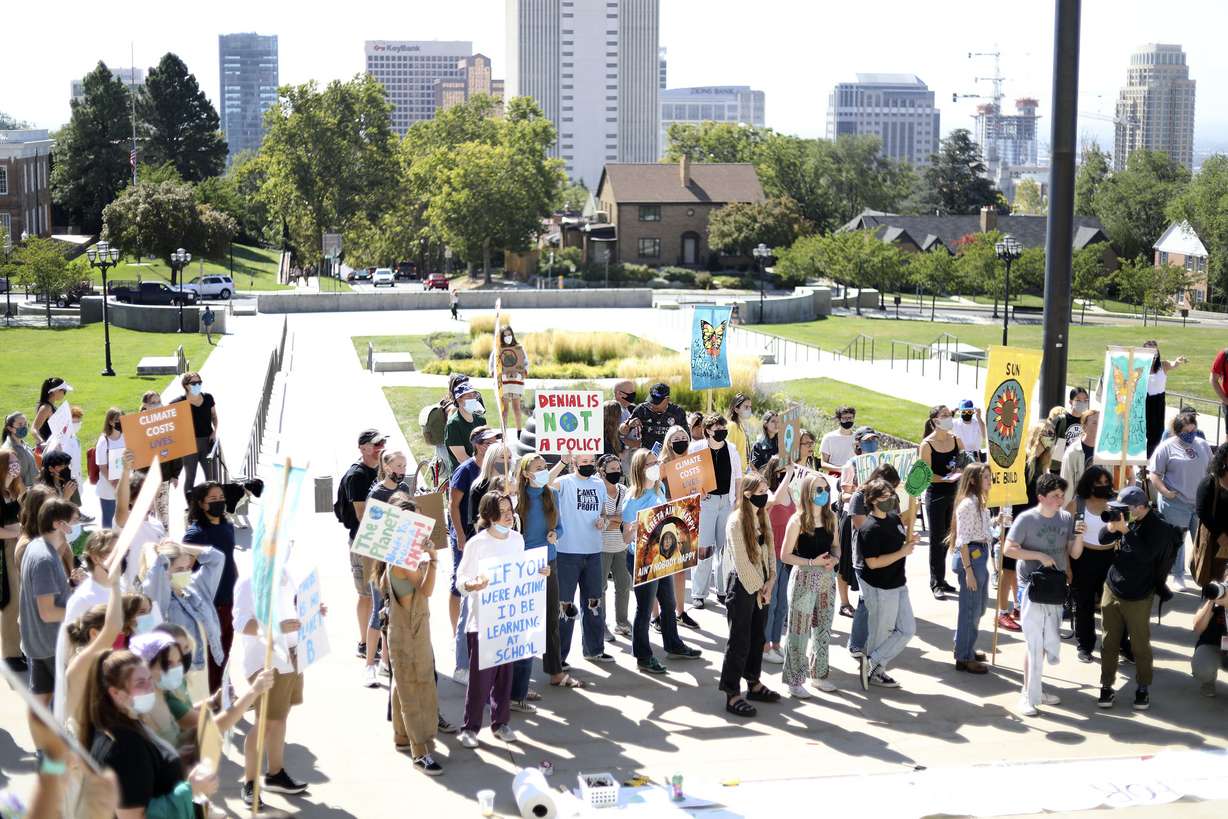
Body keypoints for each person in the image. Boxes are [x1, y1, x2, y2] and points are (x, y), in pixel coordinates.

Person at [80, 650, 218, 816]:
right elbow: (132, 816)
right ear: (116, 693)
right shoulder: (123, 748)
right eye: (140, 683)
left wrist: (174, 761)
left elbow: (145, 773)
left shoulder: (124, 722)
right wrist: (191, 789)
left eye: (149, 680)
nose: (150, 688)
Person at [232, 549, 310, 805]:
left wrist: (311, 613)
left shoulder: (285, 573)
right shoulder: (250, 580)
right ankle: (250, 782)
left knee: (279, 718)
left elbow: (293, 608)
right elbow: (241, 623)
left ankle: (276, 774)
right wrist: (276, 628)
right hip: (265, 662)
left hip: (290, 657)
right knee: (265, 722)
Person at [455, 491, 529, 748]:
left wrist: (538, 572)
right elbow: (461, 580)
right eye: (503, 511)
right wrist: (472, 584)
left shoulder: (517, 540)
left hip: (508, 620)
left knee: (504, 676)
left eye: (510, 510)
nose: (509, 516)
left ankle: (501, 722)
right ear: (489, 515)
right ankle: (470, 727)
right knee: (480, 679)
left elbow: (522, 574)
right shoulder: (478, 544)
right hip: (482, 621)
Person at [1094, 485, 1177, 711]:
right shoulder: (1124, 518)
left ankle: (1142, 687)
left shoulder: (1158, 527)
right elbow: (1102, 539)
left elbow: (1146, 556)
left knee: (1140, 645)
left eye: (1126, 508)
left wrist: (1126, 531)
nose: (1121, 512)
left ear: (1141, 507)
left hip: (1139, 594)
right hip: (1113, 587)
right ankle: (1106, 686)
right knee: (1108, 642)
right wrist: (1113, 527)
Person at [381, 491, 444, 774]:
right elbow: (426, 590)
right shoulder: (403, 562)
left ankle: (401, 736)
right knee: (416, 689)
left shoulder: (397, 557)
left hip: (407, 630)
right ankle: (421, 749)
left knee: (402, 684)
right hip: (409, 633)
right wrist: (432, 559)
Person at [622, 449, 700, 675]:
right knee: (645, 609)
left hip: (662, 557)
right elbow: (625, 538)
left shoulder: (660, 487)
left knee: (669, 602)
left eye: (657, 462)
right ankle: (643, 656)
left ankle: (673, 644)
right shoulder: (631, 500)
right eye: (651, 463)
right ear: (640, 468)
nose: (657, 466)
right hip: (641, 560)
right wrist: (632, 530)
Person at [1004, 472, 1075, 717]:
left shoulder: (1066, 518)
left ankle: (1036, 689)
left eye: (1062, 495)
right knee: (1034, 644)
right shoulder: (1026, 519)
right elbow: (1009, 549)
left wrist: (1078, 538)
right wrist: (1038, 556)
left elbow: (1072, 553)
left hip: (1055, 589)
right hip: (1031, 588)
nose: (1061, 499)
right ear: (1042, 497)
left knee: (1045, 644)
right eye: (1056, 495)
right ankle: (1027, 695)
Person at [514, 453, 575, 689]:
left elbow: (560, 528)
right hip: (524, 564)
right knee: (525, 621)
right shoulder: (517, 498)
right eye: (537, 468)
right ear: (526, 473)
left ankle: (555, 671)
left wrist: (555, 535)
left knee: (551, 618)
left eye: (544, 467)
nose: (542, 471)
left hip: (549, 562)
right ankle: (520, 678)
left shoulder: (553, 494)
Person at [721, 471, 779, 716]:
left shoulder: (762, 516)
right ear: (747, 494)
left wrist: (772, 579)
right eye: (760, 493)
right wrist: (760, 589)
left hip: (763, 585)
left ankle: (753, 682)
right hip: (744, 586)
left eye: (766, 492)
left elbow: (770, 549)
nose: (765, 497)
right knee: (739, 641)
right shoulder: (735, 521)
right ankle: (732, 693)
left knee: (758, 637)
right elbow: (742, 563)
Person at [141, 538, 225, 703]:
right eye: (179, 569)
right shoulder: (159, 598)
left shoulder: (196, 586)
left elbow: (217, 558)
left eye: (187, 568)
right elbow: (157, 573)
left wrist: (181, 547)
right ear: (165, 571)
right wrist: (157, 553)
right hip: (179, 673)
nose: (186, 572)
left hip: (204, 667)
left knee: (203, 717)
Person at [448, 426, 501, 683]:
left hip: (488, 543)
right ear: (479, 445)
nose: (497, 443)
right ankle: (462, 661)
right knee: (465, 595)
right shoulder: (466, 471)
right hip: (469, 539)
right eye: (492, 441)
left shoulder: (497, 470)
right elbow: (453, 504)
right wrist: (459, 535)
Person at [779, 473, 840, 697]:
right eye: (818, 489)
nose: (823, 493)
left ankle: (819, 674)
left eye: (825, 489)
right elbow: (785, 555)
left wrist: (834, 559)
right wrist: (811, 562)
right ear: (807, 492)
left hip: (826, 579)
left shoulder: (831, 518)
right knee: (799, 630)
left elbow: (837, 548)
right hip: (804, 578)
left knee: (823, 629)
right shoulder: (797, 520)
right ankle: (794, 680)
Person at [998, 418, 1057, 633]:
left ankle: (1016, 606)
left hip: (1031, 523)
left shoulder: (1043, 464)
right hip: (1014, 520)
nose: (1051, 436)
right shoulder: (1022, 461)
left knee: (1020, 567)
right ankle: (1002, 612)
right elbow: (1007, 490)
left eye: (1052, 433)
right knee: (1008, 569)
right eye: (1047, 432)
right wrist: (1004, 516)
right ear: (1037, 435)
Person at [856, 478, 916, 690]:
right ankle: (875, 670)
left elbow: (899, 543)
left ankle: (872, 662)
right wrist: (902, 552)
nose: (889, 500)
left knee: (907, 629)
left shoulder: (894, 518)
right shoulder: (869, 529)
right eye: (884, 497)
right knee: (881, 632)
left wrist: (909, 542)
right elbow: (872, 563)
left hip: (898, 583)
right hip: (881, 588)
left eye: (891, 496)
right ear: (872, 500)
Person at [554, 454, 613, 664]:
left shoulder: (599, 483)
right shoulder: (565, 482)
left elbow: (604, 513)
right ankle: (559, 657)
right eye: (584, 463)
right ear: (574, 464)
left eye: (591, 462)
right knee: (565, 607)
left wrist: (603, 522)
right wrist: (560, 462)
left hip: (593, 552)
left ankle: (594, 649)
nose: (588, 466)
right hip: (567, 552)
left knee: (594, 603)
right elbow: (544, 483)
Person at [19, 498, 77, 704]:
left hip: (39, 642)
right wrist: (80, 612)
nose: (76, 527)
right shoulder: (44, 559)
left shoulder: (37, 547)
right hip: (52, 645)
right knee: (69, 701)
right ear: (57, 524)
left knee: (41, 703)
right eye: (73, 521)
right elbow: (47, 611)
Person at [182, 482, 237, 691]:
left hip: (228, 598)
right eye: (212, 499)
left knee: (224, 650)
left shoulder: (227, 525)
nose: (219, 502)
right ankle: (214, 697)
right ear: (201, 504)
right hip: (209, 604)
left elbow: (230, 559)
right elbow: (184, 570)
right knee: (213, 653)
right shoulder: (195, 534)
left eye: (221, 497)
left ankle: (223, 689)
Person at [1150, 410, 1212, 590]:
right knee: (1177, 541)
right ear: (1178, 431)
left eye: (1194, 430)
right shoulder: (1167, 447)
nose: (1191, 435)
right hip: (1176, 503)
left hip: (1200, 503)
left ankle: (1202, 574)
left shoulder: (1202, 444)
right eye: (1187, 432)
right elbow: (1154, 474)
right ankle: (1178, 575)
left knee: (1202, 541)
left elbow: (1212, 468)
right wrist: (1165, 491)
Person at [339, 428, 383, 661]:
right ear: (363, 448)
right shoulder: (357, 476)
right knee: (366, 594)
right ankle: (365, 643)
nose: (380, 448)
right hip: (363, 542)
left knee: (380, 594)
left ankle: (377, 640)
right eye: (376, 445)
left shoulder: (381, 469)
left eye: (382, 443)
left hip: (381, 541)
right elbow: (361, 514)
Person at [691, 414, 742, 609]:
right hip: (706, 503)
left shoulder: (732, 450)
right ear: (707, 431)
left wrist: (737, 500)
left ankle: (723, 590)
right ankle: (699, 593)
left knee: (725, 549)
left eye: (723, 428)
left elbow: (738, 477)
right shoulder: (696, 449)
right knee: (704, 549)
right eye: (717, 429)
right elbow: (688, 478)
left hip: (726, 502)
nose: (721, 432)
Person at [948, 463, 994, 674]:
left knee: (979, 607)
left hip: (979, 556)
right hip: (971, 559)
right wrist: (969, 572)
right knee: (970, 609)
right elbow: (963, 540)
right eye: (985, 477)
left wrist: (996, 521)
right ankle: (964, 656)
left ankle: (964, 644)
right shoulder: (967, 504)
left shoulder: (979, 502)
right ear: (974, 480)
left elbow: (979, 529)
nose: (990, 481)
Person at [1069, 465, 1116, 663]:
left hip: (1110, 558)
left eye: (1106, 483)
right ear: (1089, 484)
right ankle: (1085, 645)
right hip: (1084, 558)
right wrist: (1067, 567)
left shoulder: (1115, 503)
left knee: (1114, 606)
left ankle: (1118, 643)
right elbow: (1065, 535)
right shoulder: (1077, 504)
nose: (1103, 487)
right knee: (1084, 604)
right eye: (1098, 484)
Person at [836, 426, 883, 620]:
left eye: (874, 440)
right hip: (852, 517)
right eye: (867, 440)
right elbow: (845, 495)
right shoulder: (851, 465)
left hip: (874, 517)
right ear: (859, 444)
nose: (872, 443)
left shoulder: (881, 464)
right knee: (846, 561)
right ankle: (845, 603)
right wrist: (861, 491)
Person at [919, 405, 963, 600]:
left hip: (954, 494)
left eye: (949, 415)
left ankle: (943, 578)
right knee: (937, 540)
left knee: (949, 538)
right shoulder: (926, 445)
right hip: (936, 494)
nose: (949, 418)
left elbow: (964, 463)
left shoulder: (956, 440)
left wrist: (961, 474)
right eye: (944, 415)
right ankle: (935, 581)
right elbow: (926, 475)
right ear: (935, 420)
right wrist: (947, 478)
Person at [658, 424, 699, 628]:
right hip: (665, 517)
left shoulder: (693, 462)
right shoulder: (662, 464)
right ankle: (656, 616)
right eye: (676, 438)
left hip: (686, 516)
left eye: (684, 437)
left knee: (681, 569)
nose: (681, 441)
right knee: (661, 568)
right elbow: (650, 486)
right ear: (669, 442)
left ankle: (680, 612)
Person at [762, 455, 798, 664]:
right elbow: (774, 500)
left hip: (787, 556)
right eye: (784, 470)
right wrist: (790, 473)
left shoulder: (791, 493)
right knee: (771, 601)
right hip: (771, 557)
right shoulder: (768, 494)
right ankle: (764, 645)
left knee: (782, 604)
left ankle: (776, 642)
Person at [597, 453, 631, 641]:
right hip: (602, 548)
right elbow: (598, 520)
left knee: (623, 586)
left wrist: (609, 519)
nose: (617, 472)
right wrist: (614, 519)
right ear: (602, 471)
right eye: (612, 470)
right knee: (600, 588)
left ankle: (622, 622)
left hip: (621, 545)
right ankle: (601, 625)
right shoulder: (598, 491)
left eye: (618, 469)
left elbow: (627, 518)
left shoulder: (624, 490)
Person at [1, 450, 24, 673]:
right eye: (13, 462)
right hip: (5, 552)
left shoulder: (12, 490)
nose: (17, 465)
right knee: (11, 603)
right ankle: (10, 654)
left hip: (15, 548)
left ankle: (18, 648)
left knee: (20, 601)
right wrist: (15, 532)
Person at [175, 371, 218, 490]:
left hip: (207, 441)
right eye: (193, 383)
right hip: (189, 445)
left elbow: (214, 416)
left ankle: (211, 504)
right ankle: (191, 506)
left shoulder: (208, 397)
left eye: (199, 382)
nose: (197, 385)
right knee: (190, 477)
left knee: (212, 477)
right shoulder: (179, 402)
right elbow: (166, 416)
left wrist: (215, 431)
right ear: (185, 385)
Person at [1143, 341, 1187, 457]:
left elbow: (1173, 364)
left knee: (1158, 432)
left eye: (1155, 351)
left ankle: (1152, 457)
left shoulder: (1163, 365)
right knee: (1147, 431)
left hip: (1159, 401)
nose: (1153, 354)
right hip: (1145, 401)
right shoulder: (1140, 367)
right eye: (1149, 351)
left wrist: (1178, 361)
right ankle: (1145, 459)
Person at [1194, 444, 1228, 589]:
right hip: (1215, 543)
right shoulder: (1209, 482)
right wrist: (1220, 534)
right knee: (1214, 585)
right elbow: (1202, 511)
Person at [1192, 578, 1228, 697]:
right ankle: (1208, 682)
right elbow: (1198, 628)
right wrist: (1211, 601)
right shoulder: (1217, 595)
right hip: (1215, 646)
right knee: (1202, 666)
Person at [490, 324, 527, 435]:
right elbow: (492, 364)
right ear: (501, 337)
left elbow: (525, 362)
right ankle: (504, 432)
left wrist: (523, 371)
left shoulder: (518, 348)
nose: (508, 337)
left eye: (509, 334)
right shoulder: (498, 350)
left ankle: (519, 431)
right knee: (504, 410)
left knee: (517, 408)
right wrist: (494, 373)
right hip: (504, 383)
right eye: (505, 335)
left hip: (516, 382)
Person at [630, 383, 688, 454]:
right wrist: (629, 425)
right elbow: (622, 431)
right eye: (651, 400)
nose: (652, 404)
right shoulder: (641, 410)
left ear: (667, 399)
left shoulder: (678, 412)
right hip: (648, 457)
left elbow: (687, 437)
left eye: (657, 402)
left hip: (670, 456)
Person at [1060, 409, 1100, 511]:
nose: (1099, 425)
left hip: (1101, 507)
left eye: (1101, 422)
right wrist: (1068, 514)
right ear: (1084, 427)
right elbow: (1066, 486)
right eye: (1095, 422)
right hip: (1079, 508)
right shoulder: (1072, 453)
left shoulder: (1105, 452)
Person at [93, 408, 125, 529]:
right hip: (108, 487)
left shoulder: (125, 436)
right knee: (108, 519)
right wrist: (114, 483)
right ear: (111, 422)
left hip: (124, 483)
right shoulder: (103, 441)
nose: (121, 422)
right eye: (118, 420)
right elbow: (102, 466)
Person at [445, 382, 487, 471]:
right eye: (469, 396)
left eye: (474, 396)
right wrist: (483, 469)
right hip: (463, 472)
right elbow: (462, 458)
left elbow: (487, 445)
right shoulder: (453, 424)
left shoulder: (481, 420)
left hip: (482, 468)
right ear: (459, 400)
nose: (473, 399)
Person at [1049, 388, 1090, 474]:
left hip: (1081, 466)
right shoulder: (1062, 420)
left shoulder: (1088, 420)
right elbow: (1056, 448)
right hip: (1062, 467)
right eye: (1078, 400)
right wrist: (1055, 469)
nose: (1082, 403)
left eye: (1085, 400)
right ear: (1071, 402)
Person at [2, 411, 38, 488]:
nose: (24, 427)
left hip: (34, 488)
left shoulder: (23, 443)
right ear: (10, 428)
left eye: (25, 424)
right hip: (24, 494)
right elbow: (15, 478)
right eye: (20, 424)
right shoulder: (9, 450)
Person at [33, 377, 72, 447]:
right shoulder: (46, 408)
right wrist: (42, 442)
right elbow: (34, 429)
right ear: (56, 391)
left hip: (54, 446)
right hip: (48, 448)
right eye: (64, 391)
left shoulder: (51, 406)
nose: (65, 394)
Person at [819, 407, 857, 471]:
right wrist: (841, 469)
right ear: (839, 420)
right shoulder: (829, 437)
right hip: (834, 475)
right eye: (844, 418)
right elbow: (823, 463)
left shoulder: (857, 438)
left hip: (853, 475)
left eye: (850, 418)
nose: (848, 420)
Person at [725, 393, 754, 467]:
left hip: (744, 473)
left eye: (750, 407)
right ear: (736, 409)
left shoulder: (741, 426)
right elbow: (728, 453)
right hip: (736, 475)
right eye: (746, 407)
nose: (749, 409)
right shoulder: (732, 426)